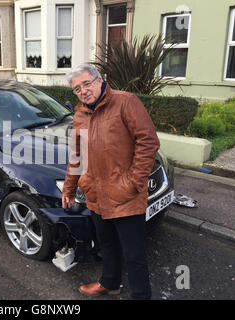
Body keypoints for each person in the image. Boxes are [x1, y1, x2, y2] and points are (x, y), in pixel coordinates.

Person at [62, 63, 160, 300]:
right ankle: (110, 283)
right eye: (77, 88)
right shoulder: (80, 115)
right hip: (96, 194)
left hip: (125, 194)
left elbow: (148, 142)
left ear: (99, 80)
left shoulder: (125, 102)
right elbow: (77, 155)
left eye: (86, 83)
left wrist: (133, 182)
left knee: (134, 253)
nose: (83, 91)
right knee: (106, 245)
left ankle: (141, 296)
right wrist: (70, 188)